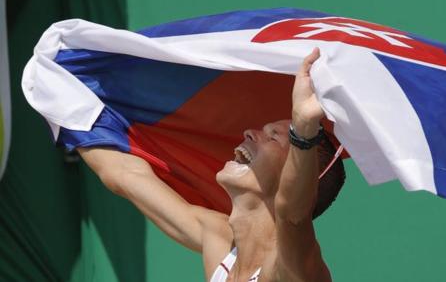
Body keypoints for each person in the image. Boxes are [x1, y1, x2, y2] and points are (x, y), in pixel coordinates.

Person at [77, 48, 346, 281]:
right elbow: (125, 175)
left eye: (273, 137)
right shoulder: (218, 240)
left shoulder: (296, 270)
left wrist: (303, 129)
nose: (251, 133)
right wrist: (65, 98)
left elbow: (293, 217)